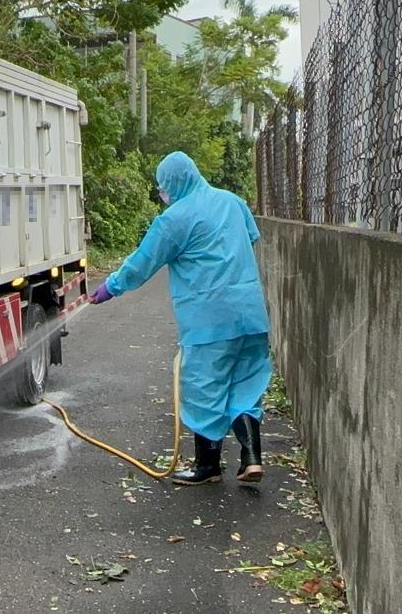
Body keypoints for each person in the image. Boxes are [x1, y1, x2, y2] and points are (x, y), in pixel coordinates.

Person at [88, 151, 270, 486]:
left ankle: (207, 467)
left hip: (209, 321)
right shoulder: (232, 201)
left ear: (173, 183)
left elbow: (142, 263)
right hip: (251, 314)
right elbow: (251, 238)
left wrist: (109, 288)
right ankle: (251, 457)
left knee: (205, 389)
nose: (163, 194)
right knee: (245, 384)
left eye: (162, 187)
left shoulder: (174, 220)